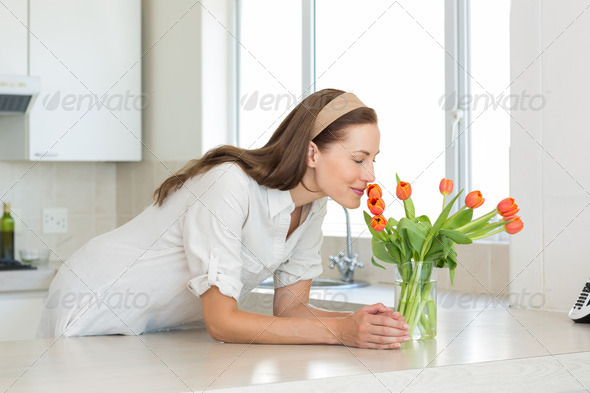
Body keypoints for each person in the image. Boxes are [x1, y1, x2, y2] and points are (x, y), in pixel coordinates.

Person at [38, 88, 410, 349]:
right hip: (93, 303)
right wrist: (339, 332)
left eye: (374, 159)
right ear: (312, 154)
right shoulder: (228, 183)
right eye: (359, 159)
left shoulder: (313, 206)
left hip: (156, 327)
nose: (371, 175)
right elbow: (222, 321)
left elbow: (291, 308)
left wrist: (364, 325)